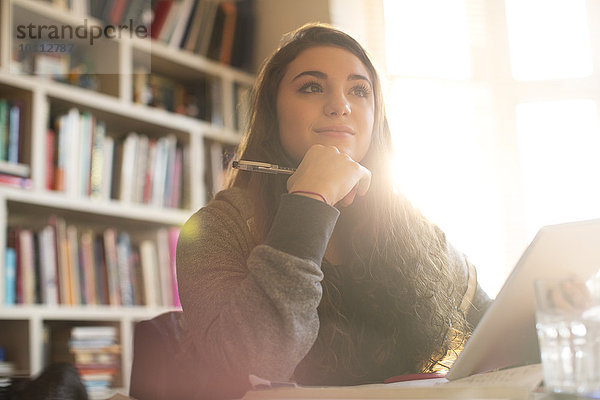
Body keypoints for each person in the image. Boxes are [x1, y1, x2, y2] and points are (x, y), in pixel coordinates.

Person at [176, 22, 492, 399]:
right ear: (272, 113)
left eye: (359, 90)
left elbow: (496, 326)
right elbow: (250, 362)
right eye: (312, 87)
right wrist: (310, 199)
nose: (340, 105)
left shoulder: (414, 227)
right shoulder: (217, 228)